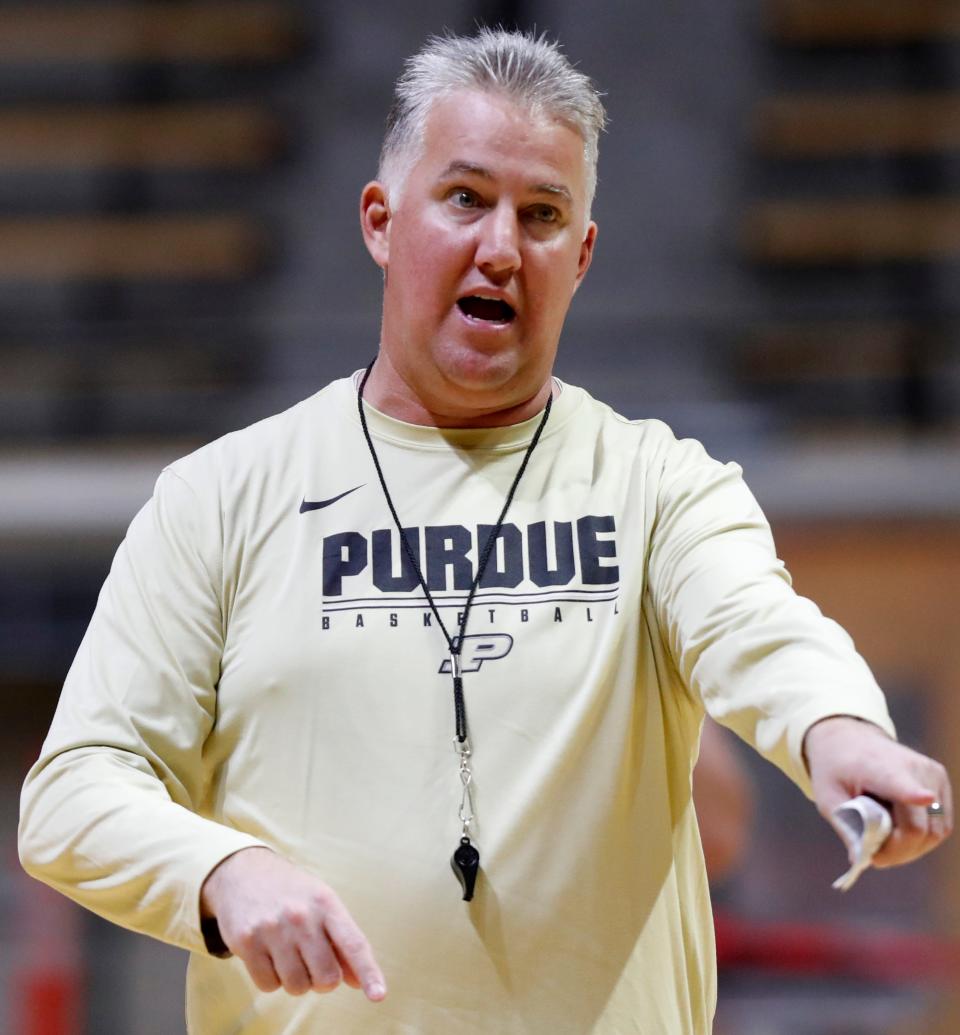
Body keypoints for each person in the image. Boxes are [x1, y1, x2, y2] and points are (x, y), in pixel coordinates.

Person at [19, 29, 952, 1035]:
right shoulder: (221, 498)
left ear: (583, 256)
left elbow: (761, 627)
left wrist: (841, 730)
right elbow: (73, 791)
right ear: (381, 221)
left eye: (543, 214)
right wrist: (222, 870)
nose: (502, 247)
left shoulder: (658, 485)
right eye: (465, 199)